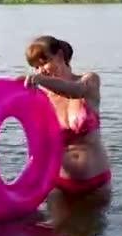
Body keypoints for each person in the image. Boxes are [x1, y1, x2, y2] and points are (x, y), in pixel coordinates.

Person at [22, 35, 112, 199]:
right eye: (36, 67)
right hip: (59, 184)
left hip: (96, 184)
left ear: (60, 56)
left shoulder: (89, 81)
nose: (41, 70)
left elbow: (75, 91)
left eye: (44, 62)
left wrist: (40, 80)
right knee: (57, 225)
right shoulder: (42, 97)